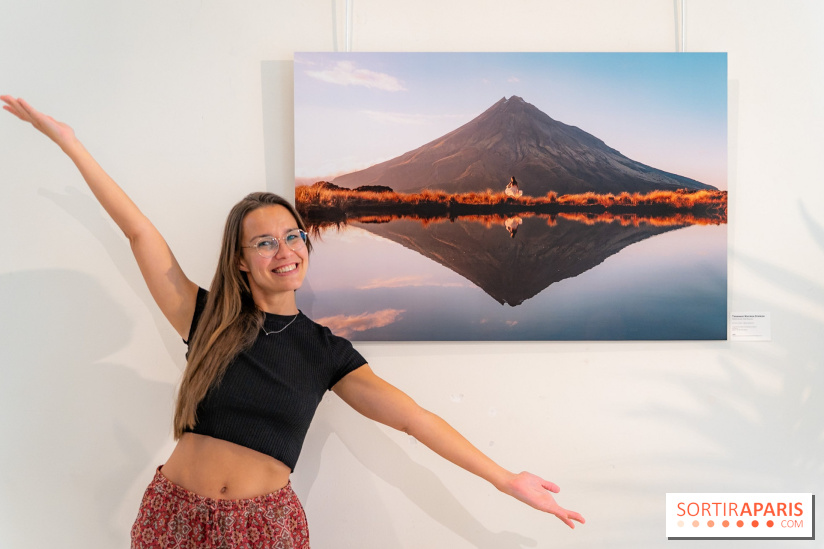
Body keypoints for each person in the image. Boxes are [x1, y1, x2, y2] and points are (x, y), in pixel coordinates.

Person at [1, 96, 585, 548]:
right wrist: (69, 143)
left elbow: (414, 420)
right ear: (240, 259)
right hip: (173, 516)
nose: (284, 249)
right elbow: (139, 232)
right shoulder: (204, 318)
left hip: (266, 531)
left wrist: (506, 480)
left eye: (292, 236)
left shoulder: (325, 352)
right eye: (263, 242)